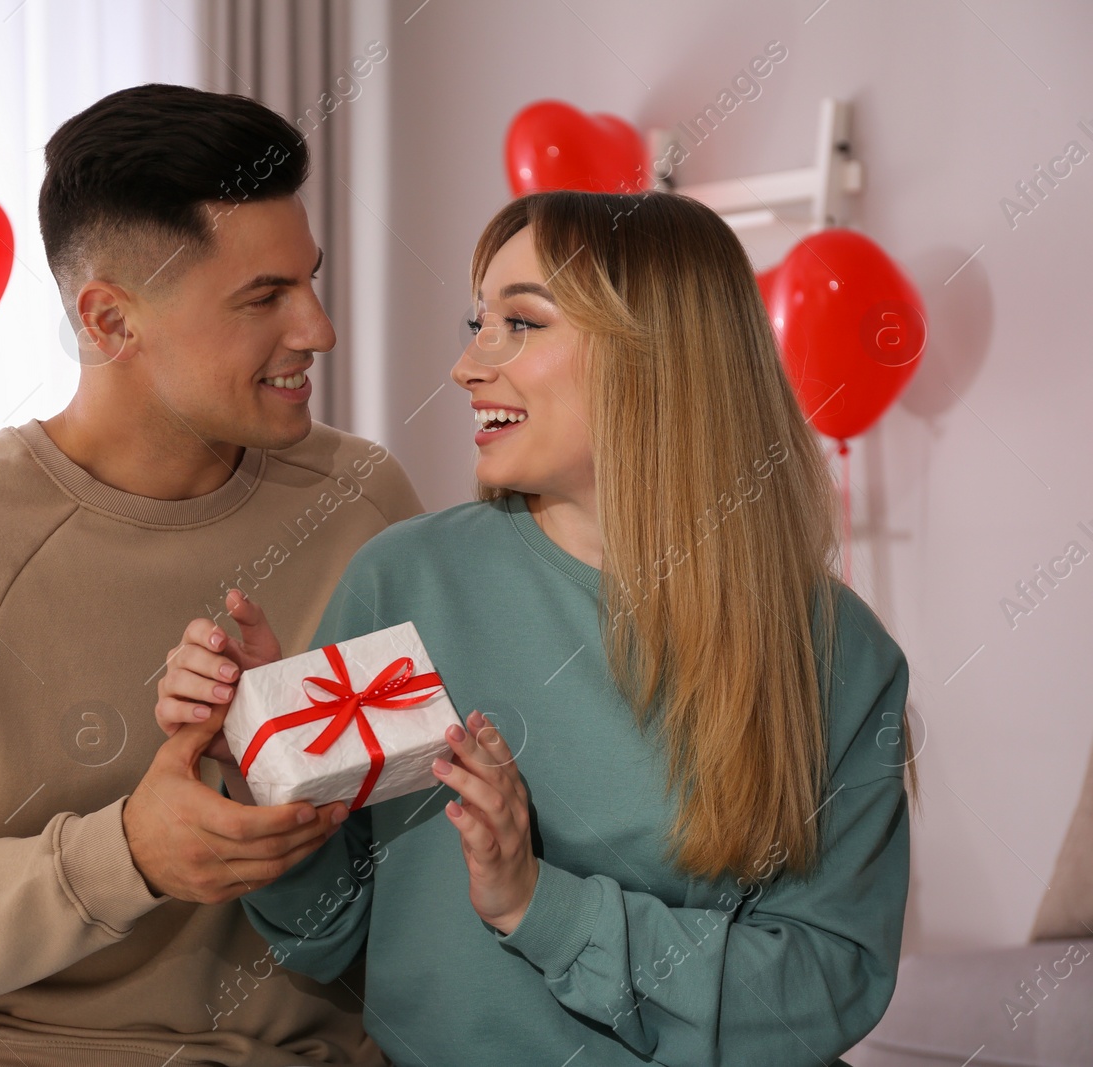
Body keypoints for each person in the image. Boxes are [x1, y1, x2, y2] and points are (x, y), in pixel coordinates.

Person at [157, 189, 916, 1066]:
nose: (467, 367)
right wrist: (266, 752)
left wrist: (539, 906)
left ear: (658, 355)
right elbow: (323, 937)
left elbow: (826, 986)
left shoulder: (837, 652)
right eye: (477, 322)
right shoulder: (404, 578)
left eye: (520, 323)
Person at [0, 83, 422, 1067]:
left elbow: (414, 846)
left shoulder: (363, 500)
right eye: (263, 297)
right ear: (111, 320)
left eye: (309, 280)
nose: (318, 330)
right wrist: (126, 851)